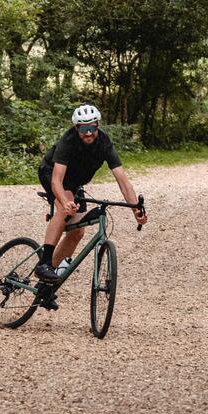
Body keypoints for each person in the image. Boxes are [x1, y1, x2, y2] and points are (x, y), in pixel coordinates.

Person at [35, 104, 146, 295]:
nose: (88, 133)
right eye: (84, 129)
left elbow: (123, 181)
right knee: (64, 209)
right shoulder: (68, 141)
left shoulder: (104, 142)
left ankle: (47, 280)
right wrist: (64, 201)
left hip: (76, 183)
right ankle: (43, 263)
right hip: (51, 174)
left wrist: (135, 208)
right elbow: (56, 180)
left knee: (78, 232)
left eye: (92, 128)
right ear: (77, 128)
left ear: (98, 126)